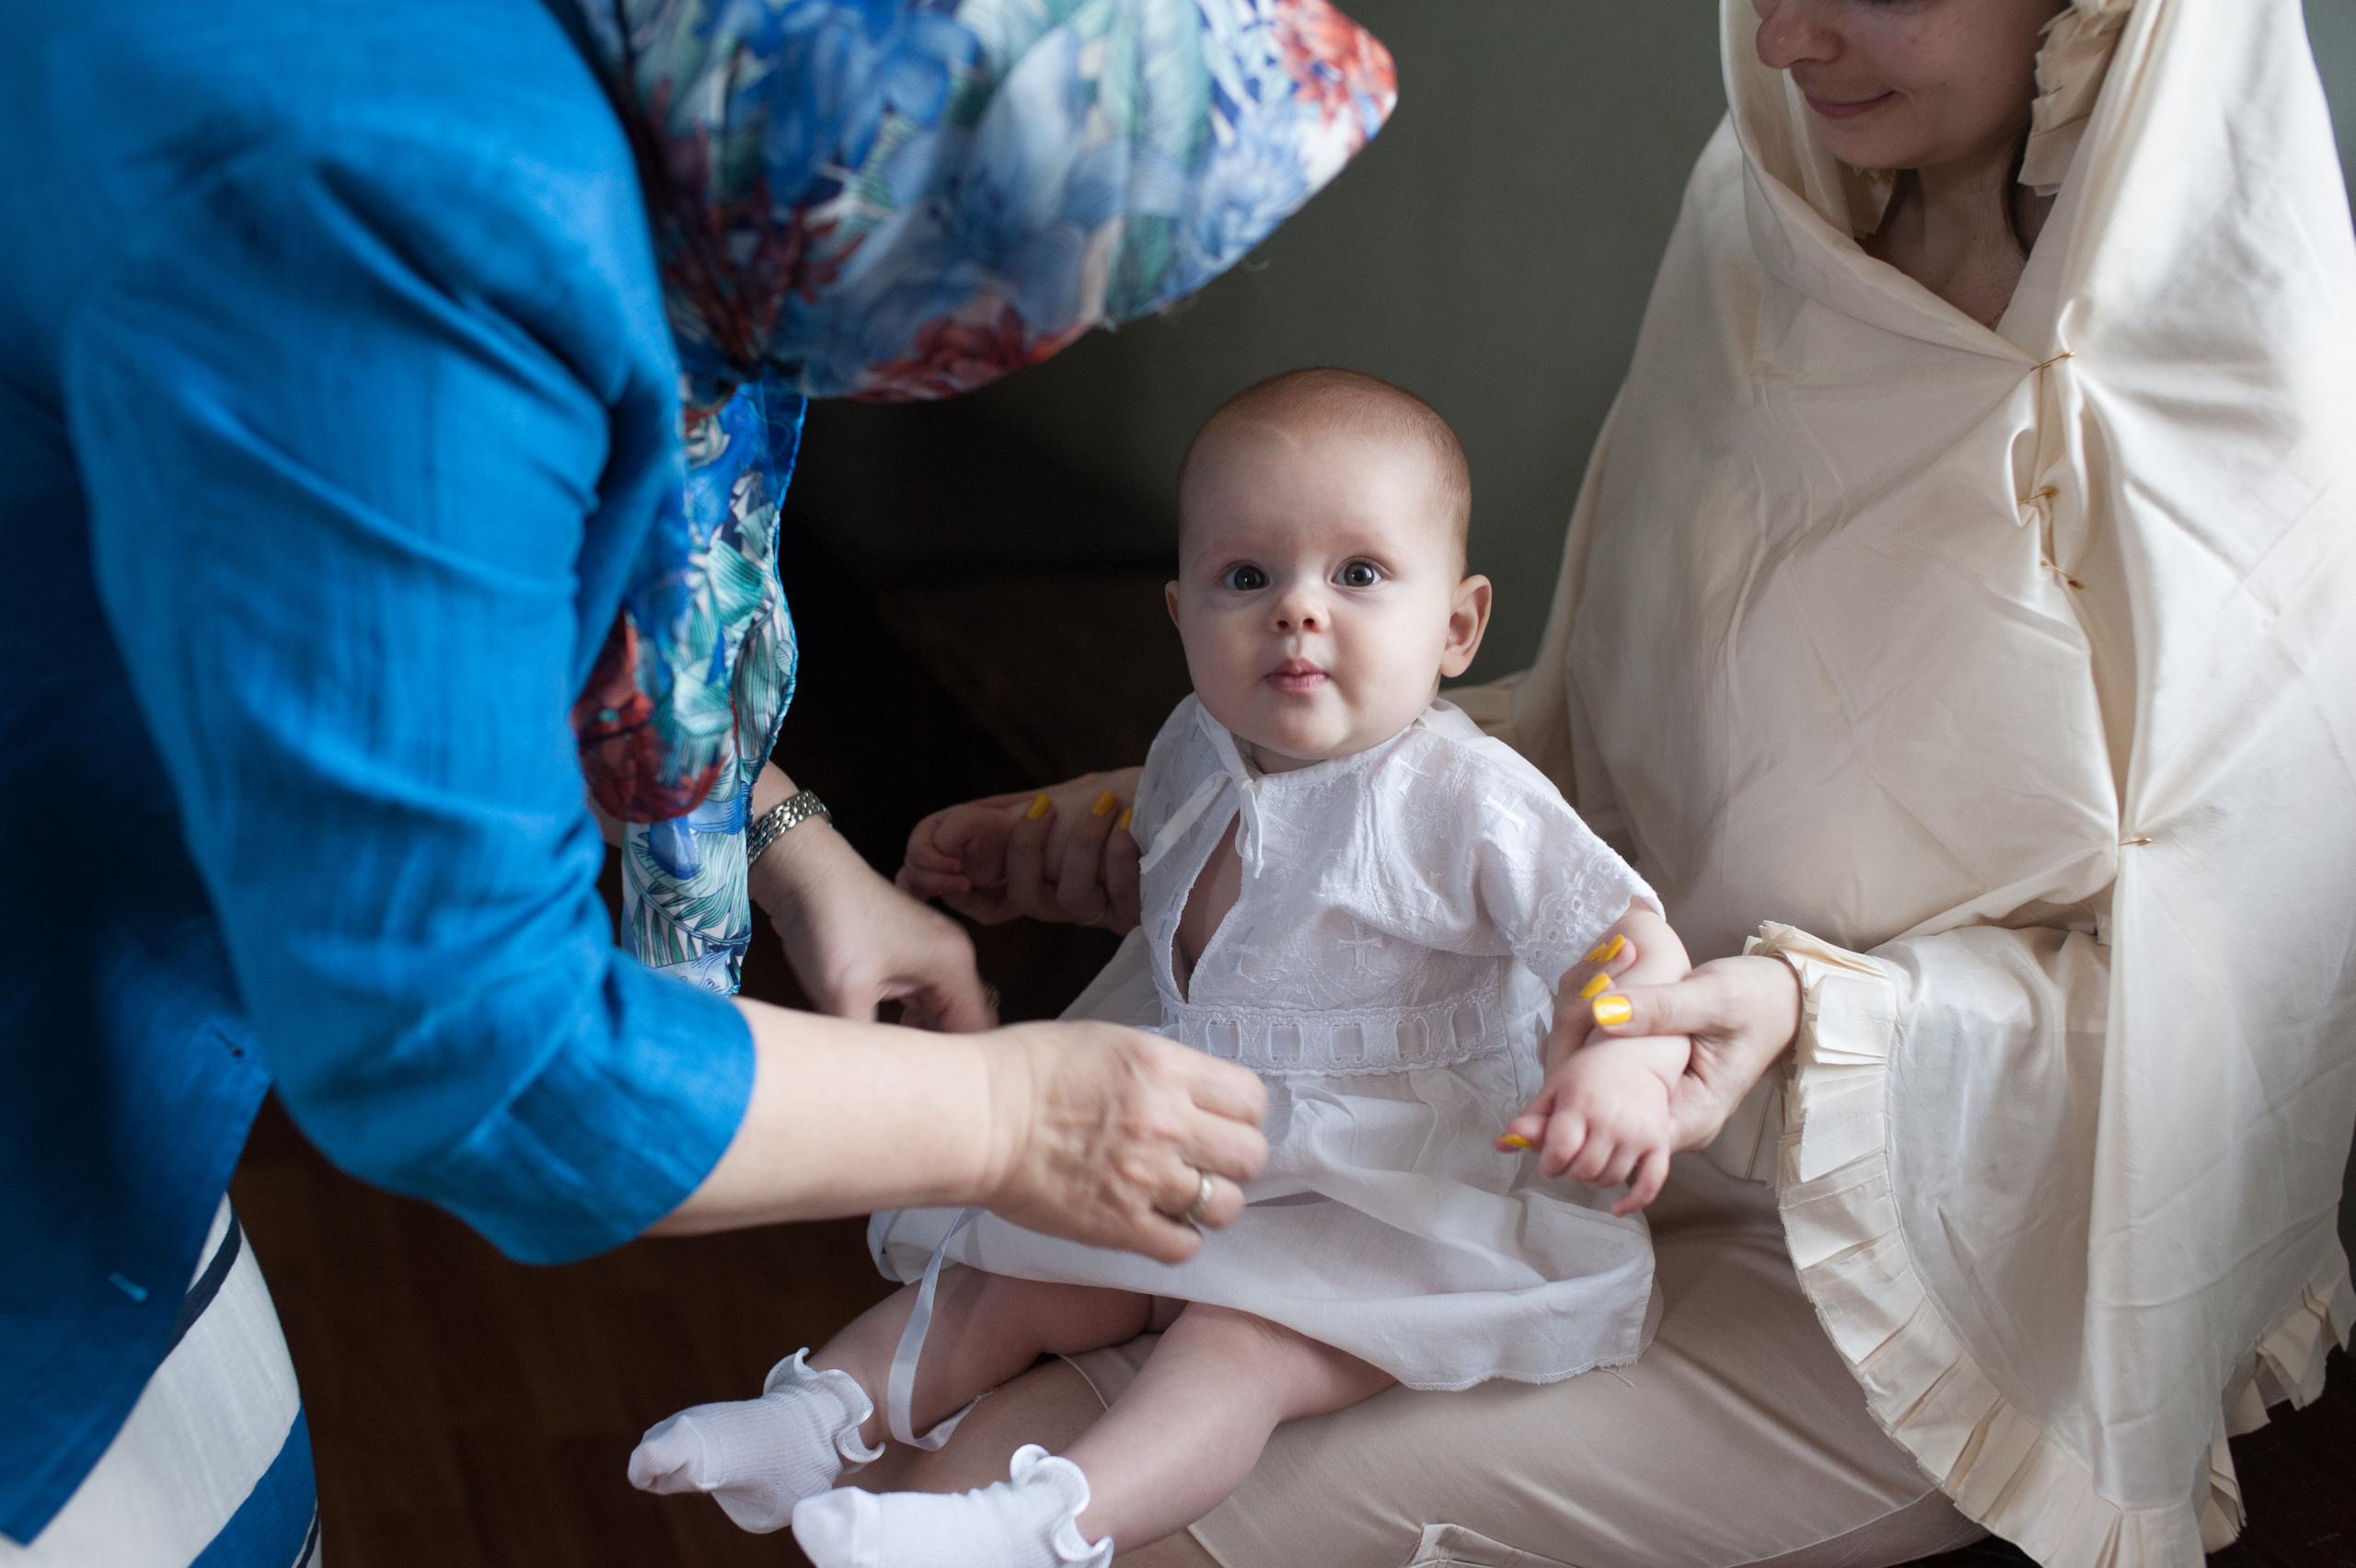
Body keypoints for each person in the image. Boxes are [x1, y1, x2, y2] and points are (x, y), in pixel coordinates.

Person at [876, 2, 2356, 1566]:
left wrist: (1802, 1018)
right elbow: (1607, 736)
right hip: (1514, 1122)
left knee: (1100, 1534)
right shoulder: (1767, 233)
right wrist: (1236, 809)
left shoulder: (2211, 398)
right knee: (941, 1470)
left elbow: (2232, 1019)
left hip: (1907, 1248)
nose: (1785, 41)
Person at [0, 1, 1396, 1562]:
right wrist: (1015, 1119)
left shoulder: (667, 104)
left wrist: (786, 836)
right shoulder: (410, 209)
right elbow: (470, 1045)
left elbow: (429, 619)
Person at [626, 370, 1695, 1566]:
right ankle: (819, 1415)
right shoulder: (1198, 744)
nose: (1298, 610)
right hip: (1208, 1132)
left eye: (1357, 575)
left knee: (1237, 1352)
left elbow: (1621, 941)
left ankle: (1038, 1523)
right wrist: (1031, 832)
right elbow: (1203, 883)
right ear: (1182, 614)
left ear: (1455, 626)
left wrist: (1625, 1072)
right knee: (1018, 1273)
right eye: (1250, 577)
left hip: (1392, 1187)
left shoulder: (1466, 796)